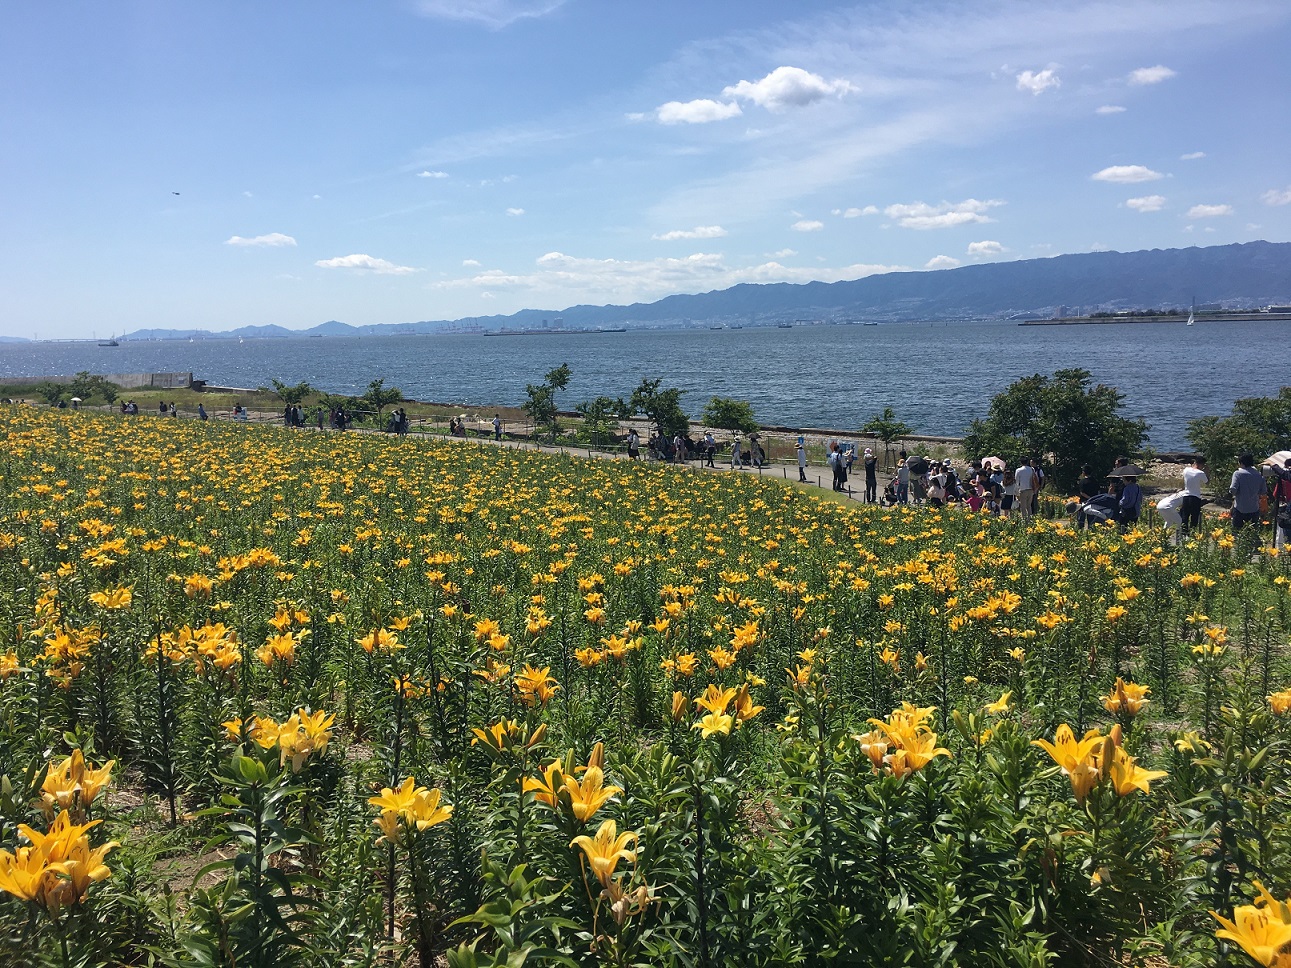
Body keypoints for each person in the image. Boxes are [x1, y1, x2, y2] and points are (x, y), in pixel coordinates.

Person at [1229, 453, 1265, 534]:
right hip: (1254, 508)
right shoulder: (1259, 475)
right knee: (1251, 533)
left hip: (1239, 508)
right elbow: (1263, 491)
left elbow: (1233, 489)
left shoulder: (1238, 473)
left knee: (1236, 533)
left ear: (1241, 463)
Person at [1181, 457, 1207, 534]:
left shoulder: (1186, 470)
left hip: (1186, 496)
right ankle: (1192, 534)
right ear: (1202, 464)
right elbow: (1207, 482)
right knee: (1194, 517)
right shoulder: (1200, 473)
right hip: (1195, 497)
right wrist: (1207, 472)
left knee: (1185, 516)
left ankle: (1184, 533)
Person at [1014, 458, 1036, 523]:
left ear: (1021, 462)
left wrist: (1016, 491)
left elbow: (1017, 481)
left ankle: (1024, 520)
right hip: (1031, 489)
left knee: (1023, 506)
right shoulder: (1031, 469)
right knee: (1029, 505)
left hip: (1023, 489)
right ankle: (1030, 519)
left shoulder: (1018, 470)